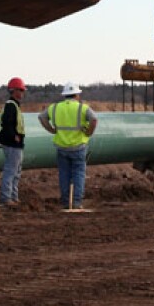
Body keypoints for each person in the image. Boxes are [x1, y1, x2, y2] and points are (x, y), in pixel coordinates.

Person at [38, 82, 98, 210]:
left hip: (61, 147)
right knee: (79, 174)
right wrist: (89, 132)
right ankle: (76, 203)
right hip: (78, 147)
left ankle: (66, 202)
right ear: (76, 95)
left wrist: (51, 130)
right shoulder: (82, 108)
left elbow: (41, 117)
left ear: (65, 95)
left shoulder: (54, 108)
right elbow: (94, 119)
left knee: (64, 174)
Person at [0, 77, 26, 206]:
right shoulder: (11, 106)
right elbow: (7, 123)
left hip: (15, 145)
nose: (23, 93)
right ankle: (7, 198)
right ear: (14, 91)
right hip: (13, 144)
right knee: (11, 171)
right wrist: (14, 136)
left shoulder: (13, 105)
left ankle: (13, 197)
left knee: (16, 172)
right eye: (21, 90)